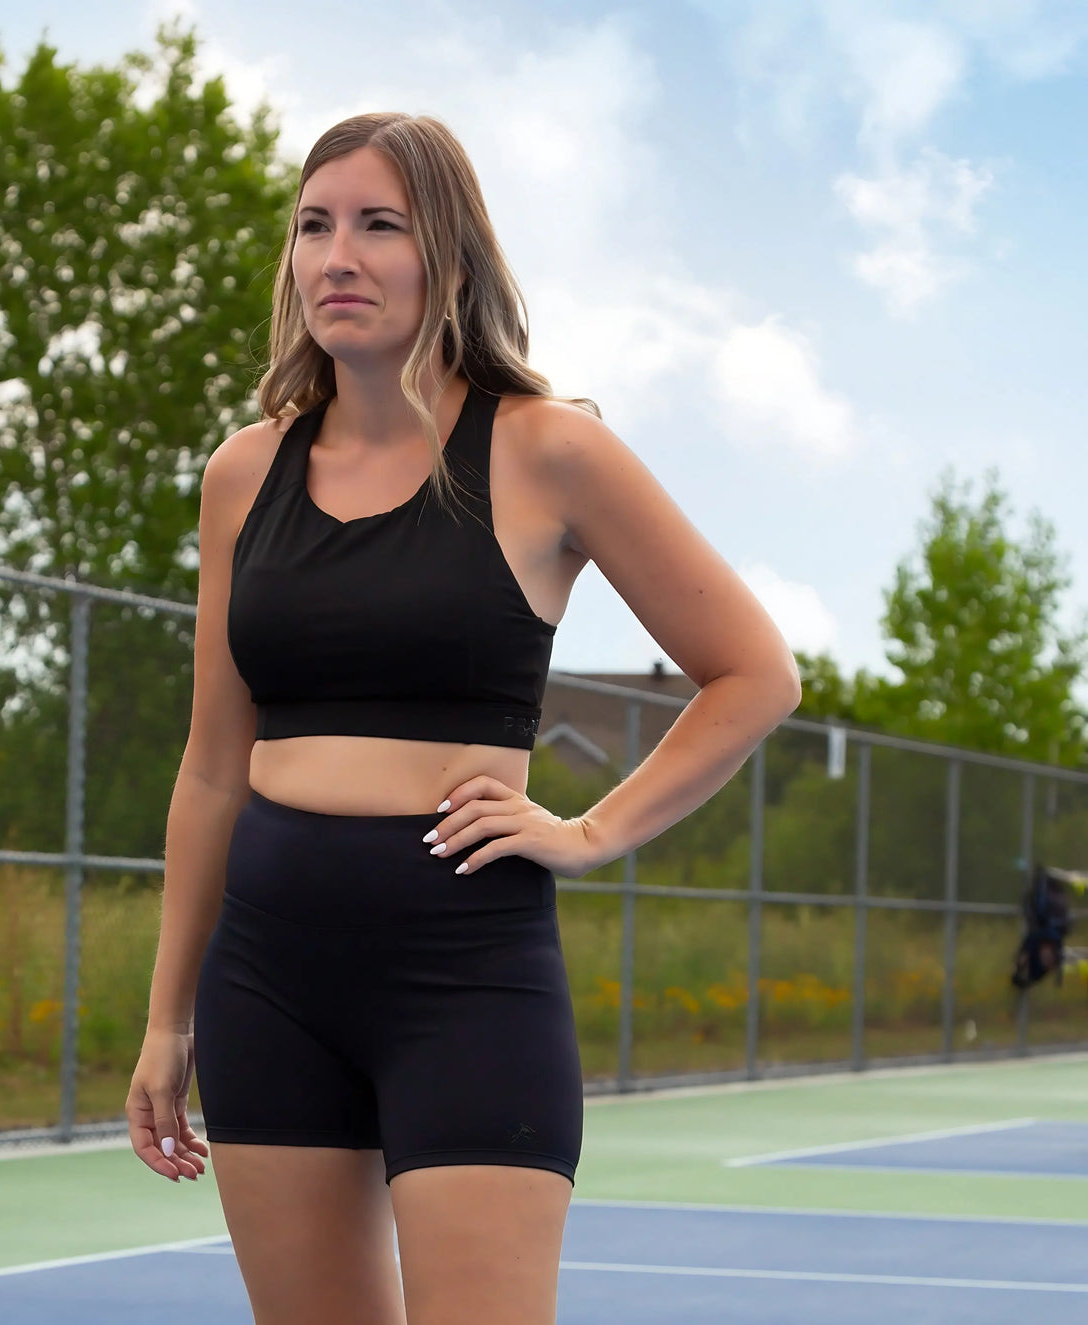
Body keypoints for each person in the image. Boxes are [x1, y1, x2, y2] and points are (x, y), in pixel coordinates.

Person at [126, 111, 801, 1325]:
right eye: (314, 225)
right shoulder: (243, 473)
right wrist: (167, 1017)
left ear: (450, 257)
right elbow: (212, 769)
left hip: (463, 973)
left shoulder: (548, 452)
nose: (339, 254)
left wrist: (590, 829)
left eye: (379, 225)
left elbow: (752, 672)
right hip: (266, 975)